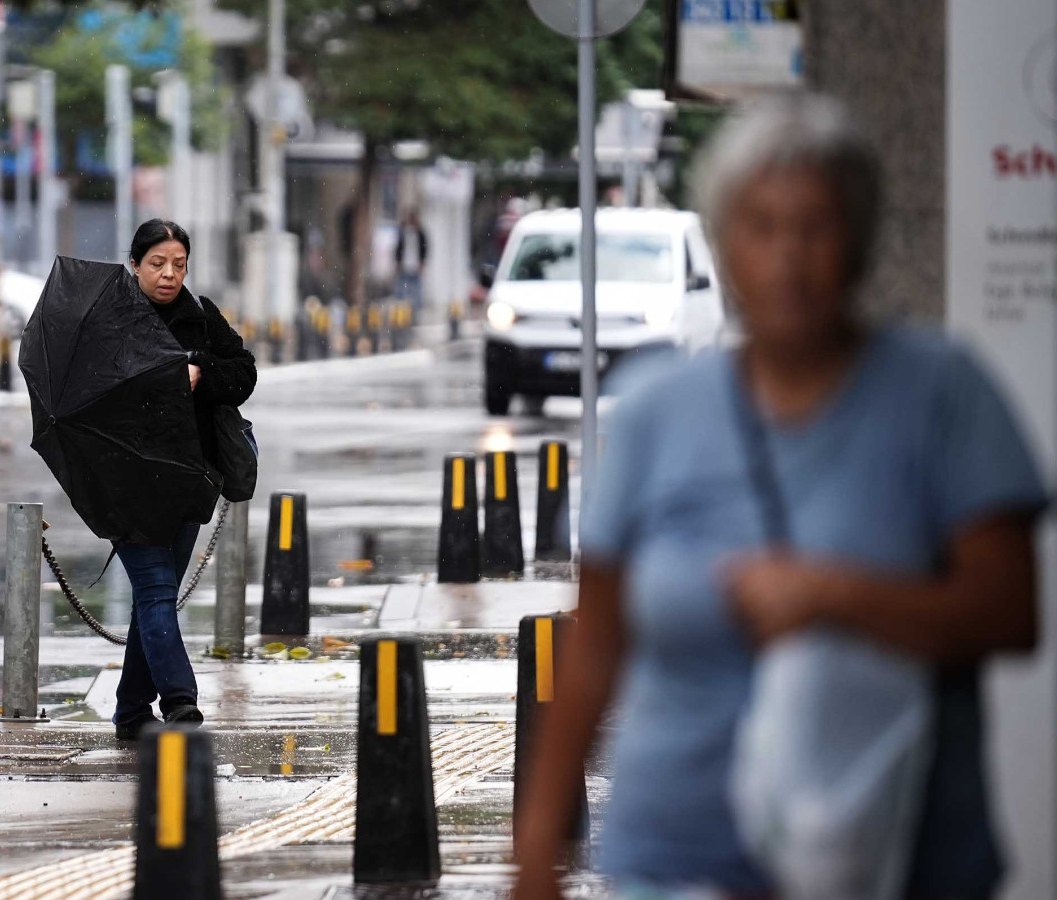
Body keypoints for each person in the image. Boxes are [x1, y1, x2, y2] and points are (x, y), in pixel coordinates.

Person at [513, 96, 1045, 899]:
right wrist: (534, 857)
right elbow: (596, 644)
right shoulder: (658, 408)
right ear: (725, 248)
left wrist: (836, 595)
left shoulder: (940, 392)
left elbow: (1010, 612)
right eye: (761, 227)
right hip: (675, 858)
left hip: (894, 857)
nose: (788, 259)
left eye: (817, 227)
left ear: (861, 241)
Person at [112, 219, 257, 741]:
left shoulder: (200, 317)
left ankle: (130, 710)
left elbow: (244, 372)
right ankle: (180, 702)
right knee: (154, 590)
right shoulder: (112, 321)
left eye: (179, 264)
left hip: (190, 480)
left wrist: (201, 374)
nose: (169, 274)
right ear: (134, 265)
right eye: (157, 264)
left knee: (158, 596)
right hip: (126, 484)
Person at [395, 210, 428, 310]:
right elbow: (398, 248)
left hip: (415, 266)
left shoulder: (420, 233)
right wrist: (398, 262)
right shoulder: (403, 232)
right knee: (402, 291)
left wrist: (422, 263)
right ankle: (402, 310)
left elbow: (424, 249)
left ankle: (416, 310)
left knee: (416, 291)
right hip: (405, 266)